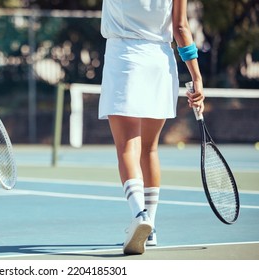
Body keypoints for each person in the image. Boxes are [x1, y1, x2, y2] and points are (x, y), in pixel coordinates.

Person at [99, 0, 205, 255]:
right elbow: (180, 28)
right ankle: (152, 227)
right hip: (160, 63)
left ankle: (140, 215)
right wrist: (197, 76)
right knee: (150, 148)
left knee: (128, 145)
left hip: (124, 58)